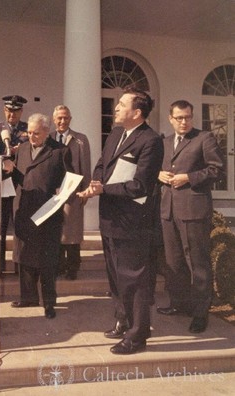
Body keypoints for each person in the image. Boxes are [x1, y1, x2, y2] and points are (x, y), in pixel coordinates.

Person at [78, 87, 163, 354]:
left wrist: (104, 189)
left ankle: (137, 336)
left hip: (132, 223)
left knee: (134, 280)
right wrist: (96, 182)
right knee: (116, 277)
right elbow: (103, 164)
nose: (115, 108)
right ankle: (123, 320)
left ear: (137, 113)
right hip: (110, 218)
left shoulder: (151, 140)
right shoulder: (116, 133)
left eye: (121, 104)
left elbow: (140, 186)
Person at [157, 100, 223, 333]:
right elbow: (155, 167)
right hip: (168, 210)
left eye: (187, 117)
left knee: (197, 263)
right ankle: (179, 304)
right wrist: (159, 174)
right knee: (173, 262)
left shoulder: (204, 138)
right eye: (179, 118)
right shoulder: (164, 142)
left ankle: (200, 313)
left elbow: (217, 169)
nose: (184, 122)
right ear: (170, 118)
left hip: (194, 211)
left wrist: (189, 177)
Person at [10, 113, 72, 319]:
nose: (31, 136)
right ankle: (28, 297)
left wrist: (62, 194)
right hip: (24, 208)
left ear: (47, 131)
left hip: (48, 213)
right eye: (29, 132)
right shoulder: (23, 149)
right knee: (24, 255)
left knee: (47, 261)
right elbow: (22, 178)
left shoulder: (60, 151)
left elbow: (71, 180)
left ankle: (49, 302)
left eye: (36, 133)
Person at [0, 95, 29, 278]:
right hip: (1, 182)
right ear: (5, 110)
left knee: (20, 225)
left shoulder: (28, 130)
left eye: (15, 111)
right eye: (9, 110)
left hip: (20, 184)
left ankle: (20, 266)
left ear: (21, 111)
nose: (12, 114)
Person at [50, 105, 91, 280]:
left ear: (70, 119)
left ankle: (73, 266)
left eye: (65, 118)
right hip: (53, 191)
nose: (62, 121)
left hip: (74, 191)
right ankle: (58, 264)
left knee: (72, 231)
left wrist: (85, 190)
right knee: (56, 229)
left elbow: (85, 166)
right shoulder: (49, 138)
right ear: (54, 119)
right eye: (59, 118)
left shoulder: (80, 140)